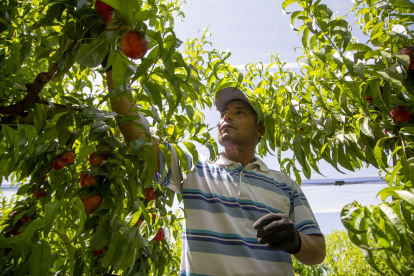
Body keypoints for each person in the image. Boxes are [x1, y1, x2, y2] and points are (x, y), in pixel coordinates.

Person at [107, 69, 326, 275]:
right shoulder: (192, 168)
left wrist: (296, 240)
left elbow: (317, 251)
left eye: (239, 112)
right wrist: (112, 70)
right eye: (223, 113)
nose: (226, 118)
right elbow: (140, 141)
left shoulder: (284, 184)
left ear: (260, 129)